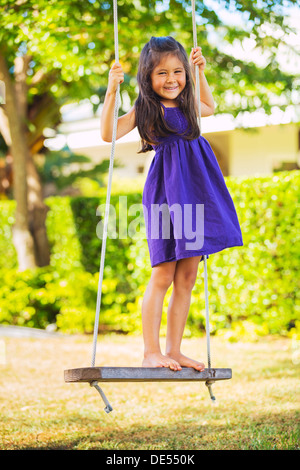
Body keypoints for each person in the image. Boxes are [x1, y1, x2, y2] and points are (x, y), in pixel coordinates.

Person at [101, 36, 243, 372]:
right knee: (164, 272)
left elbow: (209, 107)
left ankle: (174, 350)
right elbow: (108, 134)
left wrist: (201, 72)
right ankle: (151, 351)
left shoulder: (188, 104)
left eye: (178, 72)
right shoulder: (146, 108)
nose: (171, 79)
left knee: (188, 275)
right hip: (167, 195)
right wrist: (111, 91)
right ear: (148, 78)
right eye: (162, 73)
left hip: (197, 192)